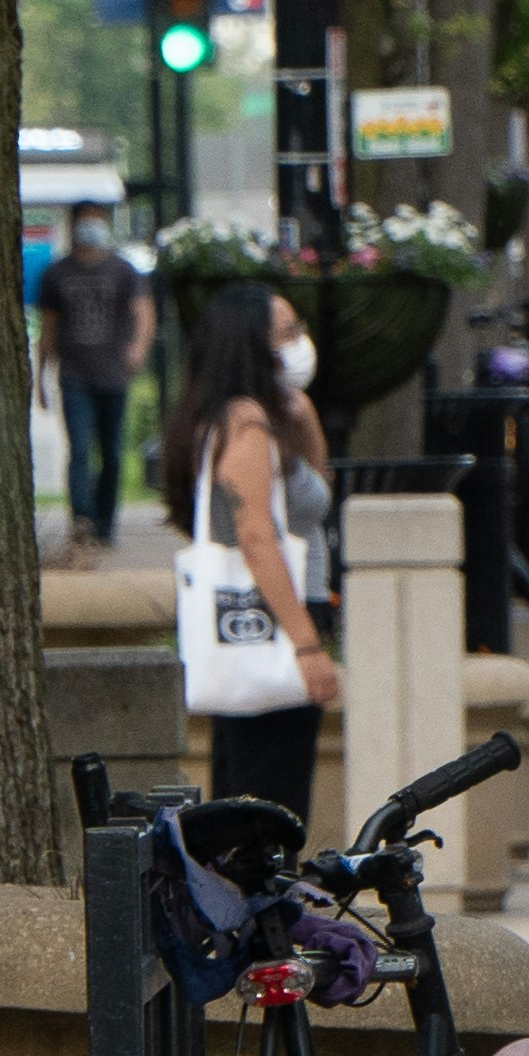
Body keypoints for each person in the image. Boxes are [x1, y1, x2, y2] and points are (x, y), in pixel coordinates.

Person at [159, 283, 340, 821]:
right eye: (287, 332)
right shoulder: (247, 427)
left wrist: (302, 417)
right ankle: (257, 902)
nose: (300, 343)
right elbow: (257, 537)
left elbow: (309, 493)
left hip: (267, 617)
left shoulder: (246, 419)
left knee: (254, 790)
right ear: (251, 345)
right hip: (274, 618)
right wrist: (307, 644)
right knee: (269, 802)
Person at [41, 204, 153, 565]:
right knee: (80, 450)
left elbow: (144, 312)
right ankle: (83, 521)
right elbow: (49, 327)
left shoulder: (122, 271)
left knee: (113, 452)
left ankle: (106, 523)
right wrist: (42, 374)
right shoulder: (57, 274)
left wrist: (138, 348)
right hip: (75, 373)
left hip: (113, 374)